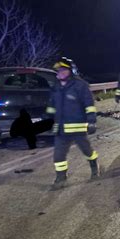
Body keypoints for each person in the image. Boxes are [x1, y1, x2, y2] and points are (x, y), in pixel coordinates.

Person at [46, 57, 100, 190]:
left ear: (71, 71)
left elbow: (89, 105)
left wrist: (91, 121)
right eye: (58, 70)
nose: (60, 72)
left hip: (77, 128)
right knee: (58, 155)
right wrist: (48, 119)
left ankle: (94, 165)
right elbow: (52, 106)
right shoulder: (56, 87)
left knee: (87, 150)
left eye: (63, 70)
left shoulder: (80, 85)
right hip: (61, 129)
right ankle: (61, 178)